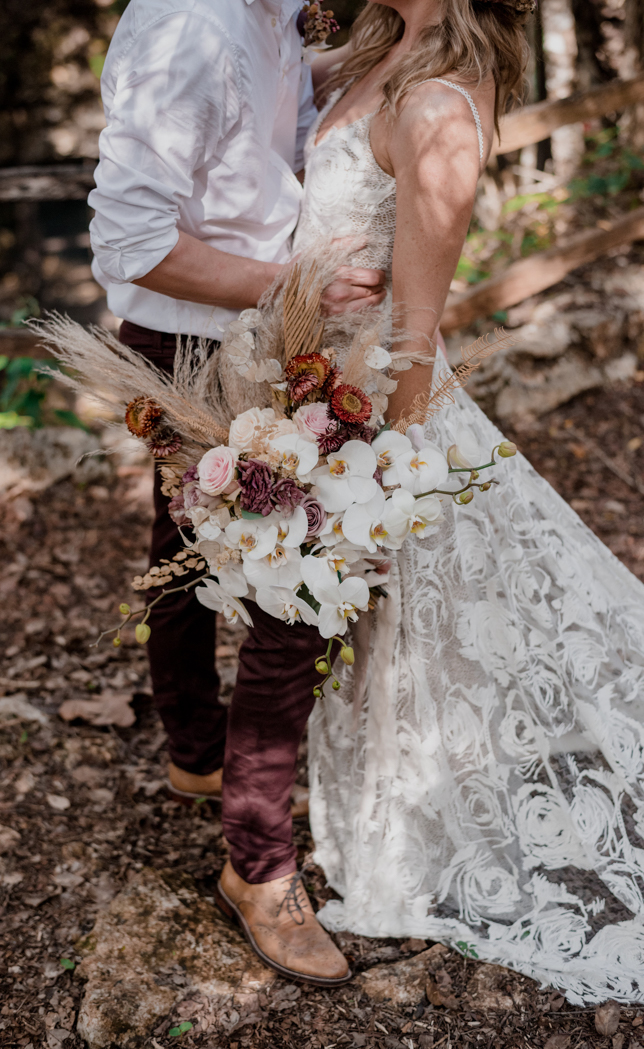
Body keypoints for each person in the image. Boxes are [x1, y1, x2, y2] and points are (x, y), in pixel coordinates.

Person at [296, 0, 644, 1005]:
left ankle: (419, 829)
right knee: (383, 623)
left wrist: (390, 460)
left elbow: (418, 317)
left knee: (413, 604)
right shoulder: (373, 46)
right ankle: (386, 805)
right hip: (318, 382)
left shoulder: (441, 97)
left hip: (382, 408)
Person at [89, 0, 387, 986]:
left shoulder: (276, 15)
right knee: (292, 595)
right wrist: (292, 282)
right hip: (190, 342)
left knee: (182, 550)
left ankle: (190, 748)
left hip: (251, 327)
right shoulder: (192, 26)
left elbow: (271, 160)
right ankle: (256, 866)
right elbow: (130, 242)